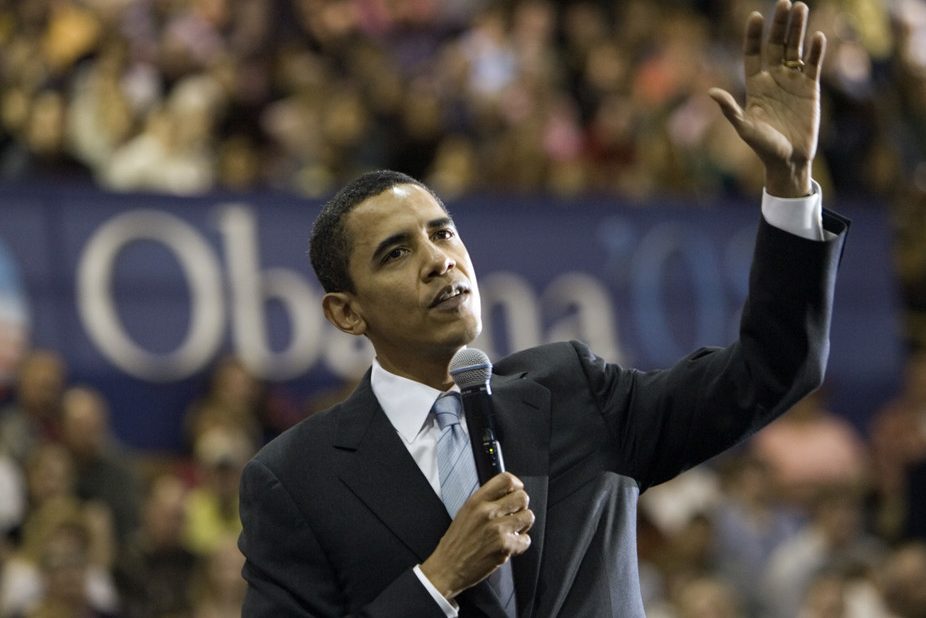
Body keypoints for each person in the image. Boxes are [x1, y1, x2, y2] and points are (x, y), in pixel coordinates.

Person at [237, 2, 850, 616]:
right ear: (346, 312)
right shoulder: (294, 480)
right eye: (396, 253)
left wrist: (791, 181)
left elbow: (774, 367)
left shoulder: (574, 391)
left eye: (443, 232)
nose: (438, 260)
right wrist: (436, 581)